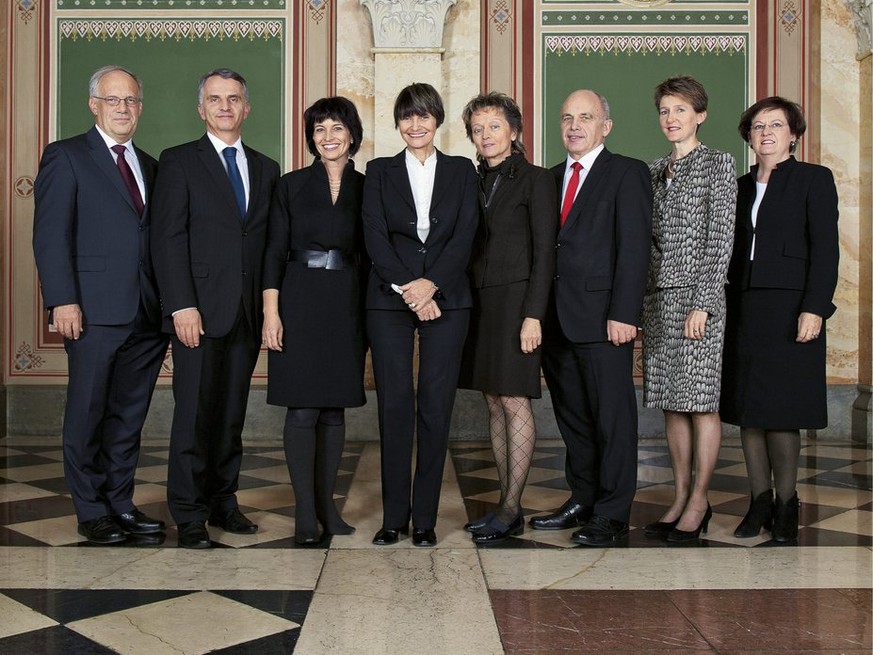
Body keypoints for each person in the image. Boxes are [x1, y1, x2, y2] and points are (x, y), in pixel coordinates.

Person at [32, 65, 169, 545]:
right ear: (94, 105)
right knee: (87, 412)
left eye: (131, 100)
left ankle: (120, 503)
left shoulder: (150, 165)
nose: (123, 109)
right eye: (114, 100)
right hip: (90, 311)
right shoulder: (66, 156)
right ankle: (90, 510)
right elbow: (50, 236)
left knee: (128, 417)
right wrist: (63, 300)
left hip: (146, 315)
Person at [151, 68, 280, 549]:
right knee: (193, 416)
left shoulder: (267, 168)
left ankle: (224, 503)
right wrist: (181, 305)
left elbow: (267, 245)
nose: (225, 106)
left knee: (230, 416)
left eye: (233, 99)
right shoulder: (179, 162)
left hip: (245, 313)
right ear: (201, 108)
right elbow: (168, 240)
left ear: (246, 108)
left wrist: (269, 310)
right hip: (198, 314)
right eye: (215, 99)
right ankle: (188, 513)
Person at [530, 89, 652, 547]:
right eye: (567, 118)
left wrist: (625, 313)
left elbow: (635, 248)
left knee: (612, 418)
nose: (574, 126)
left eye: (585, 117)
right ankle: (582, 496)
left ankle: (613, 511)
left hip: (605, 320)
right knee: (573, 417)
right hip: (557, 320)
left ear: (606, 125)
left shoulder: (626, 173)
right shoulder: (549, 178)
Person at [362, 82, 478, 547]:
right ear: (397, 123)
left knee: (435, 406)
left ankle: (425, 520)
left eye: (424, 115)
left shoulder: (462, 170)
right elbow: (374, 236)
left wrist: (433, 285)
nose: (416, 124)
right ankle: (394, 518)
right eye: (407, 117)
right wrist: (412, 290)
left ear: (438, 120)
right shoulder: (378, 171)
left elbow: (465, 234)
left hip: (447, 296)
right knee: (393, 405)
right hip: (390, 298)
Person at [721, 96, 839, 543]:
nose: (765, 132)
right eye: (757, 126)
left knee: (782, 410)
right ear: (748, 137)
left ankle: (787, 503)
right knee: (749, 410)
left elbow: (826, 251)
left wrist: (815, 307)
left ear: (793, 134)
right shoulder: (739, 185)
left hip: (792, 308)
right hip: (744, 306)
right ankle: (759, 501)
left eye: (776, 125)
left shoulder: (814, 179)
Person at [261, 97, 367, 546]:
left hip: (348, 301)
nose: (328, 136)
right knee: (302, 407)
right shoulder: (290, 185)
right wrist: (271, 311)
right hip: (298, 298)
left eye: (337, 127)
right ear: (311, 137)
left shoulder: (371, 186)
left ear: (352, 134)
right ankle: (305, 512)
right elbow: (272, 251)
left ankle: (329, 508)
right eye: (320, 128)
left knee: (334, 409)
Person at [640, 76, 737, 543]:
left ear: (700, 115)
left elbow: (721, 239)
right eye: (664, 111)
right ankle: (678, 496)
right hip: (659, 300)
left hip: (699, 301)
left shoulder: (718, 163)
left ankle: (700, 499)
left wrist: (703, 302)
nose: (671, 119)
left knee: (700, 403)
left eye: (680, 110)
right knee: (670, 405)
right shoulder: (654, 169)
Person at [458, 93, 557, 544]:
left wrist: (534, 314)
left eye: (494, 126)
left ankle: (512, 508)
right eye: (478, 129)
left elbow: (544, 254)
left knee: (515, 400)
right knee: (494, 402)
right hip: (478, 304)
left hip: (518, 304)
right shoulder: (469, 179)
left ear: (514, 131)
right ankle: (504, 503)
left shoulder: (536, 180)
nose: (485, 135)